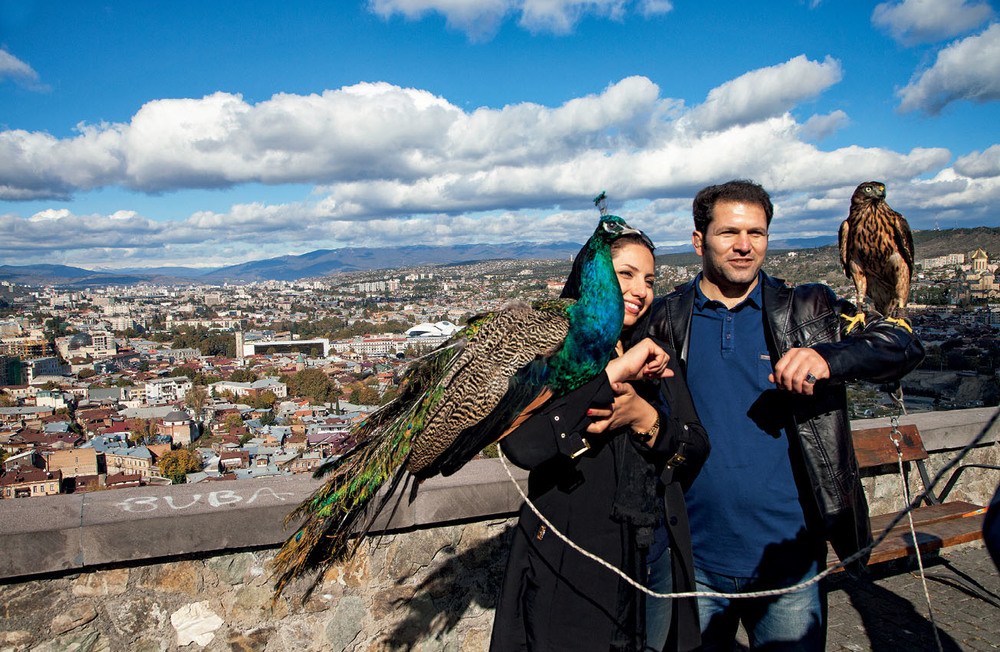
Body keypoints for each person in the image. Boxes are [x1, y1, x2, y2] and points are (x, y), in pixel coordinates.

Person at [647, 179, 925, 650]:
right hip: (691, 561)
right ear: (699, 241)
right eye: (728, 233)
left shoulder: (809, 310)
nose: (744, 246)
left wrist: (830, 358)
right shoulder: (666, 318)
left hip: (791, 561)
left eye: (756, 233)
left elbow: (902, 343)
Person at [490, 229, 709, 652]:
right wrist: (610, 377)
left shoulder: (656, 354)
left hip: (654, 559)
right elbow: (521, 447)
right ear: (593, 277)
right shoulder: (555, 353)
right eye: (625, 274)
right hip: (577, 564)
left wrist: (646, 418)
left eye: (649, 280)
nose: (640, 290)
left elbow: (697, 446)